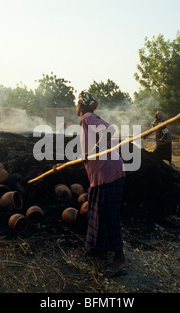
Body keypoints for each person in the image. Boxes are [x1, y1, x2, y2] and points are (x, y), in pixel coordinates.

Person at [76, 90, 127, 276]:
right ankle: (99, 250)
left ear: (80, 104)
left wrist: (93, 151)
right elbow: (88, 151)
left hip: (108, 174)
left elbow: (110, 131)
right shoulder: (87, 122)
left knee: (108, 215)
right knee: (99, 213)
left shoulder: (88, 117)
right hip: (102, 175)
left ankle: (120, 258)